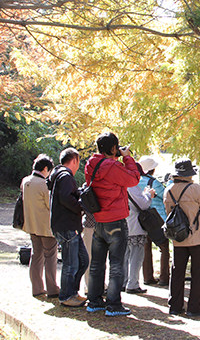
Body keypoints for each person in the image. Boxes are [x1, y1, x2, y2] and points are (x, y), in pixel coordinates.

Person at [85, 132, 140, 317]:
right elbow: (133, 179)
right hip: (115, 219)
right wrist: (127, 157)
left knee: (97, 264)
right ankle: (114, 304)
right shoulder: (112, 166)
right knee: (116, 264)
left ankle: (94, 301)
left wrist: (118, 156)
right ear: (114, 148)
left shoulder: (91, 164)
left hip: (99, 219)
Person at [164, 159, 200, 317]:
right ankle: (194, 307)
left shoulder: (169, 190)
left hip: (178, 236)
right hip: (197, 235)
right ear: (189, 174)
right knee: (197, 272)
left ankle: (175, 305)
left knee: (177, 271)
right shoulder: (195, 189)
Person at [46, 148, 88, 307]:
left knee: (83, 260)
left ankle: (72, 292)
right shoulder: (65, 176)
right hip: (67, 225)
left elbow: (67, 195)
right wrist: (80, 207)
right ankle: (66, 296)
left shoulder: (59, 175)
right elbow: (65, 198)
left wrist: (78, 194)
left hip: (66, 225)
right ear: (75, 160)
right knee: (71, 263)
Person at [21, 154, 59, 298]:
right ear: (45, 169)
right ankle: (52, 289)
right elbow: (51, 206)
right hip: (46, 227)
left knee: (36, 255)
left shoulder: (26, 181)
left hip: (31, 225)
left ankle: (37, 288)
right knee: (50, 257)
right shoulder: (43, 184)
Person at [123, 163, 155, 294]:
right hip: (135, 225)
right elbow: (143, 204)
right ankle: (133, 284)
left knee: (124, 256)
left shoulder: (119, 184)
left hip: (122, 224)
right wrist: (148, 195)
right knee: (136, 256)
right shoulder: (132, 186)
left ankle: (123, 282)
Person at [138, 156, 170, 287]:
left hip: (141, 219)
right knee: (164, 247)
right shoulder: (154, 183)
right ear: (152, 169)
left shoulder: (135, 181)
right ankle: (164, 278)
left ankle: (148, 277)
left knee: (146, 248)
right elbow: (166, 196)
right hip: (157, 219)